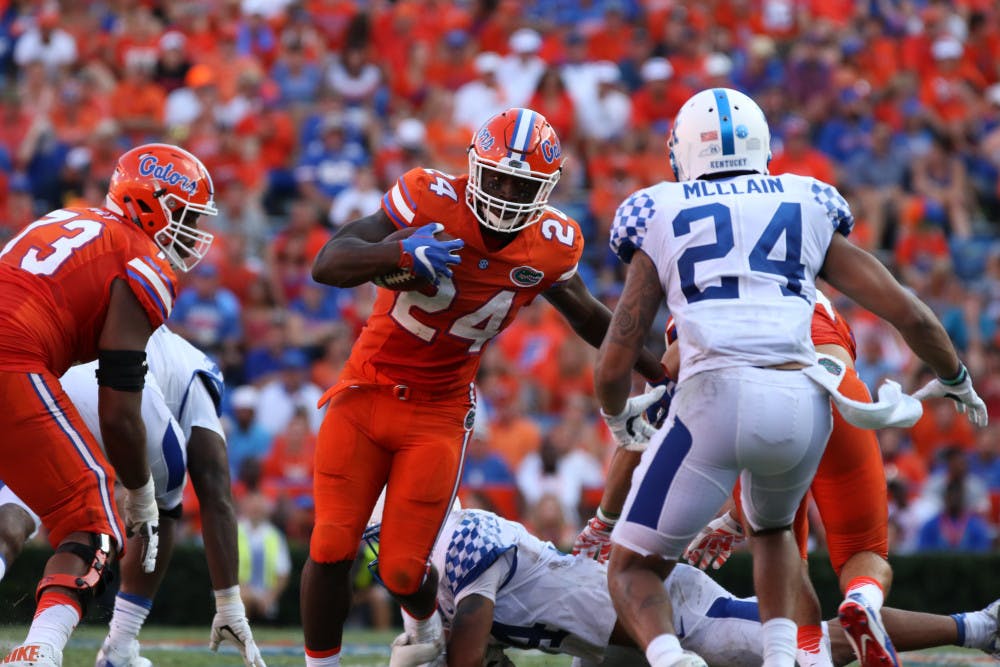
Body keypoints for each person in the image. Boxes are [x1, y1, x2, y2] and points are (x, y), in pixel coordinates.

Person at [595, 87, 986, 667]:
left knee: (631, 567)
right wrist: (955, 376)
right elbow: (909, 312)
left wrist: (613, 412)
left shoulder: (660, 208)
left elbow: (618, 351)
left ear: (682, 152)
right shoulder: (805, 200)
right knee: (777, 533)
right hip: (810, 397)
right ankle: (796, 650)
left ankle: (671, 659)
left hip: (715, 397)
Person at [305, 107, 671, 667]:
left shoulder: (551, 242)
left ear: (544, 188)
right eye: (496, 177)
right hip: (365, 390)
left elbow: (589, 317)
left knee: (405, 568)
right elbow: (329, 263)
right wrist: (395, 252)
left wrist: (661, 371)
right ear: (475, 167)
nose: (503, 193)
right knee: (330, 545)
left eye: (519, 184)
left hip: (439, 411)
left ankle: (426, 629)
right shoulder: (427, 196)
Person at [582, 292, 915, 666]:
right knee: (863, 551)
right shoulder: (801, 277)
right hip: (837, 384)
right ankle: (862, 600)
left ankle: (804, 655)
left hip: (760, 406)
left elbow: (649, 414)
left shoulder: (703, 293)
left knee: (784, 554)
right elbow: (909, 315)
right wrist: (954, 375)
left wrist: (604, 521)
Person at [0, 143, 216, 667]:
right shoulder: (142, 261)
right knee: (93, 525)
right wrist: (141, 491)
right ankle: (40, 652)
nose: (192, 232)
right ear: (152, 204)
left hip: (15, 350)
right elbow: (119, 407)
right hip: (11, 356)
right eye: (185, 215)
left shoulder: (69, 218)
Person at [363, 503, 1000, 667]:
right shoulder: (437, 570)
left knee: (825, 645)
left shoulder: (466, 540)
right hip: (608, 644)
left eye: (379, 540)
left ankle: (981, 626)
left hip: (671, 613)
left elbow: (470, 657)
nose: (379, 558)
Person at [59, 325, 265, 667]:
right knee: (164, 505)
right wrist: (230, 605)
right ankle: (120, 645)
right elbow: (215, 493)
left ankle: (40, 643)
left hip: (50, 370)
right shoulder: (198, 373)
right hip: (122, 389)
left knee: (21, 508)